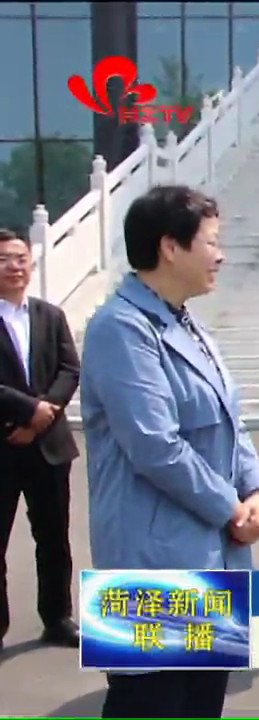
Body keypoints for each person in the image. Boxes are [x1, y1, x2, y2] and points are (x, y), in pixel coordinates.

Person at [79, 185, 259, 718]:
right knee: (151, 701)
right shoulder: (121, 328)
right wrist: (231, 508)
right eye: (211, 242)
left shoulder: (187, 323)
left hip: (212, 552)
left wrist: (258, 490)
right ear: (170, 247)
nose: (221, 255)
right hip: (151, 557)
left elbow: (231, 421)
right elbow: (154, 444)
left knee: (201, 701)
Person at [0, 228, 81, 651]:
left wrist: (43, 412)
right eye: (4, 260)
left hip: (48, 444)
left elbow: (70, 368)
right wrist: (26, 409)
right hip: (4, 443)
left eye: (20, 258)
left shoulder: (49, 315)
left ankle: (57, 616)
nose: (14, 267)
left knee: (53, 538)